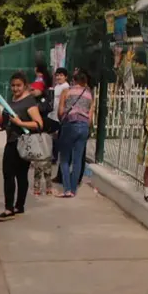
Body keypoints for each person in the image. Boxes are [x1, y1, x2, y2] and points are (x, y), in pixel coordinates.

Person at [0, 72, 43, 219]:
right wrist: (1, 123)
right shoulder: (11, 100)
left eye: (18, 85)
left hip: (23, 142)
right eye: (13, 86)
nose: (15, 89)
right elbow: (5, 123)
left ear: (25, 86)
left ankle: (17, 206)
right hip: (10, 141)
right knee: (8, 175)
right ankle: (11, 206)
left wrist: (20, 123)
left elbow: (38, 124)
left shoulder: (29, 102)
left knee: (20, 175)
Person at [57, 69, 95, 198]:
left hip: (69, 125)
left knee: (64, 159)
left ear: (74, 80)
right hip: (84, 126)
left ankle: (66, 188)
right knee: (77, 160)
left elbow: (61, 111)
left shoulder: (66, 91)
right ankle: (73, 189)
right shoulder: (90, 94)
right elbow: (91, 117)